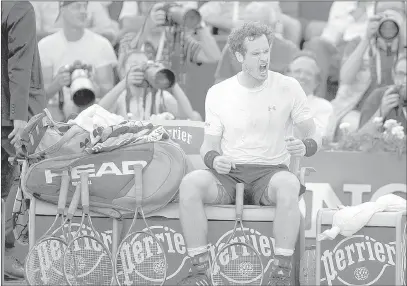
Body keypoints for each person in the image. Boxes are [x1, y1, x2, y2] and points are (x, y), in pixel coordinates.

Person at [177, 22, 320, 285]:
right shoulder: (219, 92)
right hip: (230, 173)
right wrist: (213, 160)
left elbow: (314, 134)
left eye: (266, 51)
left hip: (272, 173)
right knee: (189, 185)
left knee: (290, 184)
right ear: (240, 56)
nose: (264, 58)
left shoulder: (288, 86)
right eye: (256, 54)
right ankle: (199, 273)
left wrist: (306, 146)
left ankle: (281, 273)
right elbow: (207, 146)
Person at [1, 1, 46, 279]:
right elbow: (20, 61)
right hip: (12, 113)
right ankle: (6, 256)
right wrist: (20, 117)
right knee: (14, 184)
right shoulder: (18, 6)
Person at [325, 1, 406, 139]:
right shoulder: (358, 43)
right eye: (384, 10)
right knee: (352, 126)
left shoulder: (404, 44)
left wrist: (403, 37)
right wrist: (366, 40)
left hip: (398, 110)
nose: (390, 14)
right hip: (359, 112)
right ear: (374, 15)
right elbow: (345, 78)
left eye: (396, 10)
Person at [38, 1, 118, 122]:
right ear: (62, 10)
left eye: (85, 6)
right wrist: (57, 84)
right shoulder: (45, 46)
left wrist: (93, 85)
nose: (83, 11)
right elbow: (38, 99)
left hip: (95, 121)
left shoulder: (102, 45)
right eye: (76, 7)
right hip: (55, 122)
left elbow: (111, 95)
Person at [213, 2, 299, 83]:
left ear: (272, 26)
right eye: (247, 26)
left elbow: (295, 85)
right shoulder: (233, 48)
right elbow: (220, 82)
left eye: (257, 26)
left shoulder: (290, 50)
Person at [114, 49, 202, 121]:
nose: (140, 68)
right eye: (134, 64)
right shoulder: (120, 96)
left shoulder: (159, 96)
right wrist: (124, 83)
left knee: (196, 116)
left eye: (145, 65)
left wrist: (170, 81)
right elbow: (100, 113)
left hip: (153, 140)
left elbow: (188, 114)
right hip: (127, 140)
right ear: (122, 71)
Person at [286, 51, 334, 137]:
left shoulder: (324, 107)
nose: (302, 76)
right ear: (286, 76)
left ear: (316, 82)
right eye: (297, 71)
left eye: (308, 73)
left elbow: (319, 135)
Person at [359, 54, 406, 133]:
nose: (405, 80)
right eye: (401, 74)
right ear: (393, 75)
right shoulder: (378, 96)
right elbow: (359, 139)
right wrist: (381, 113)